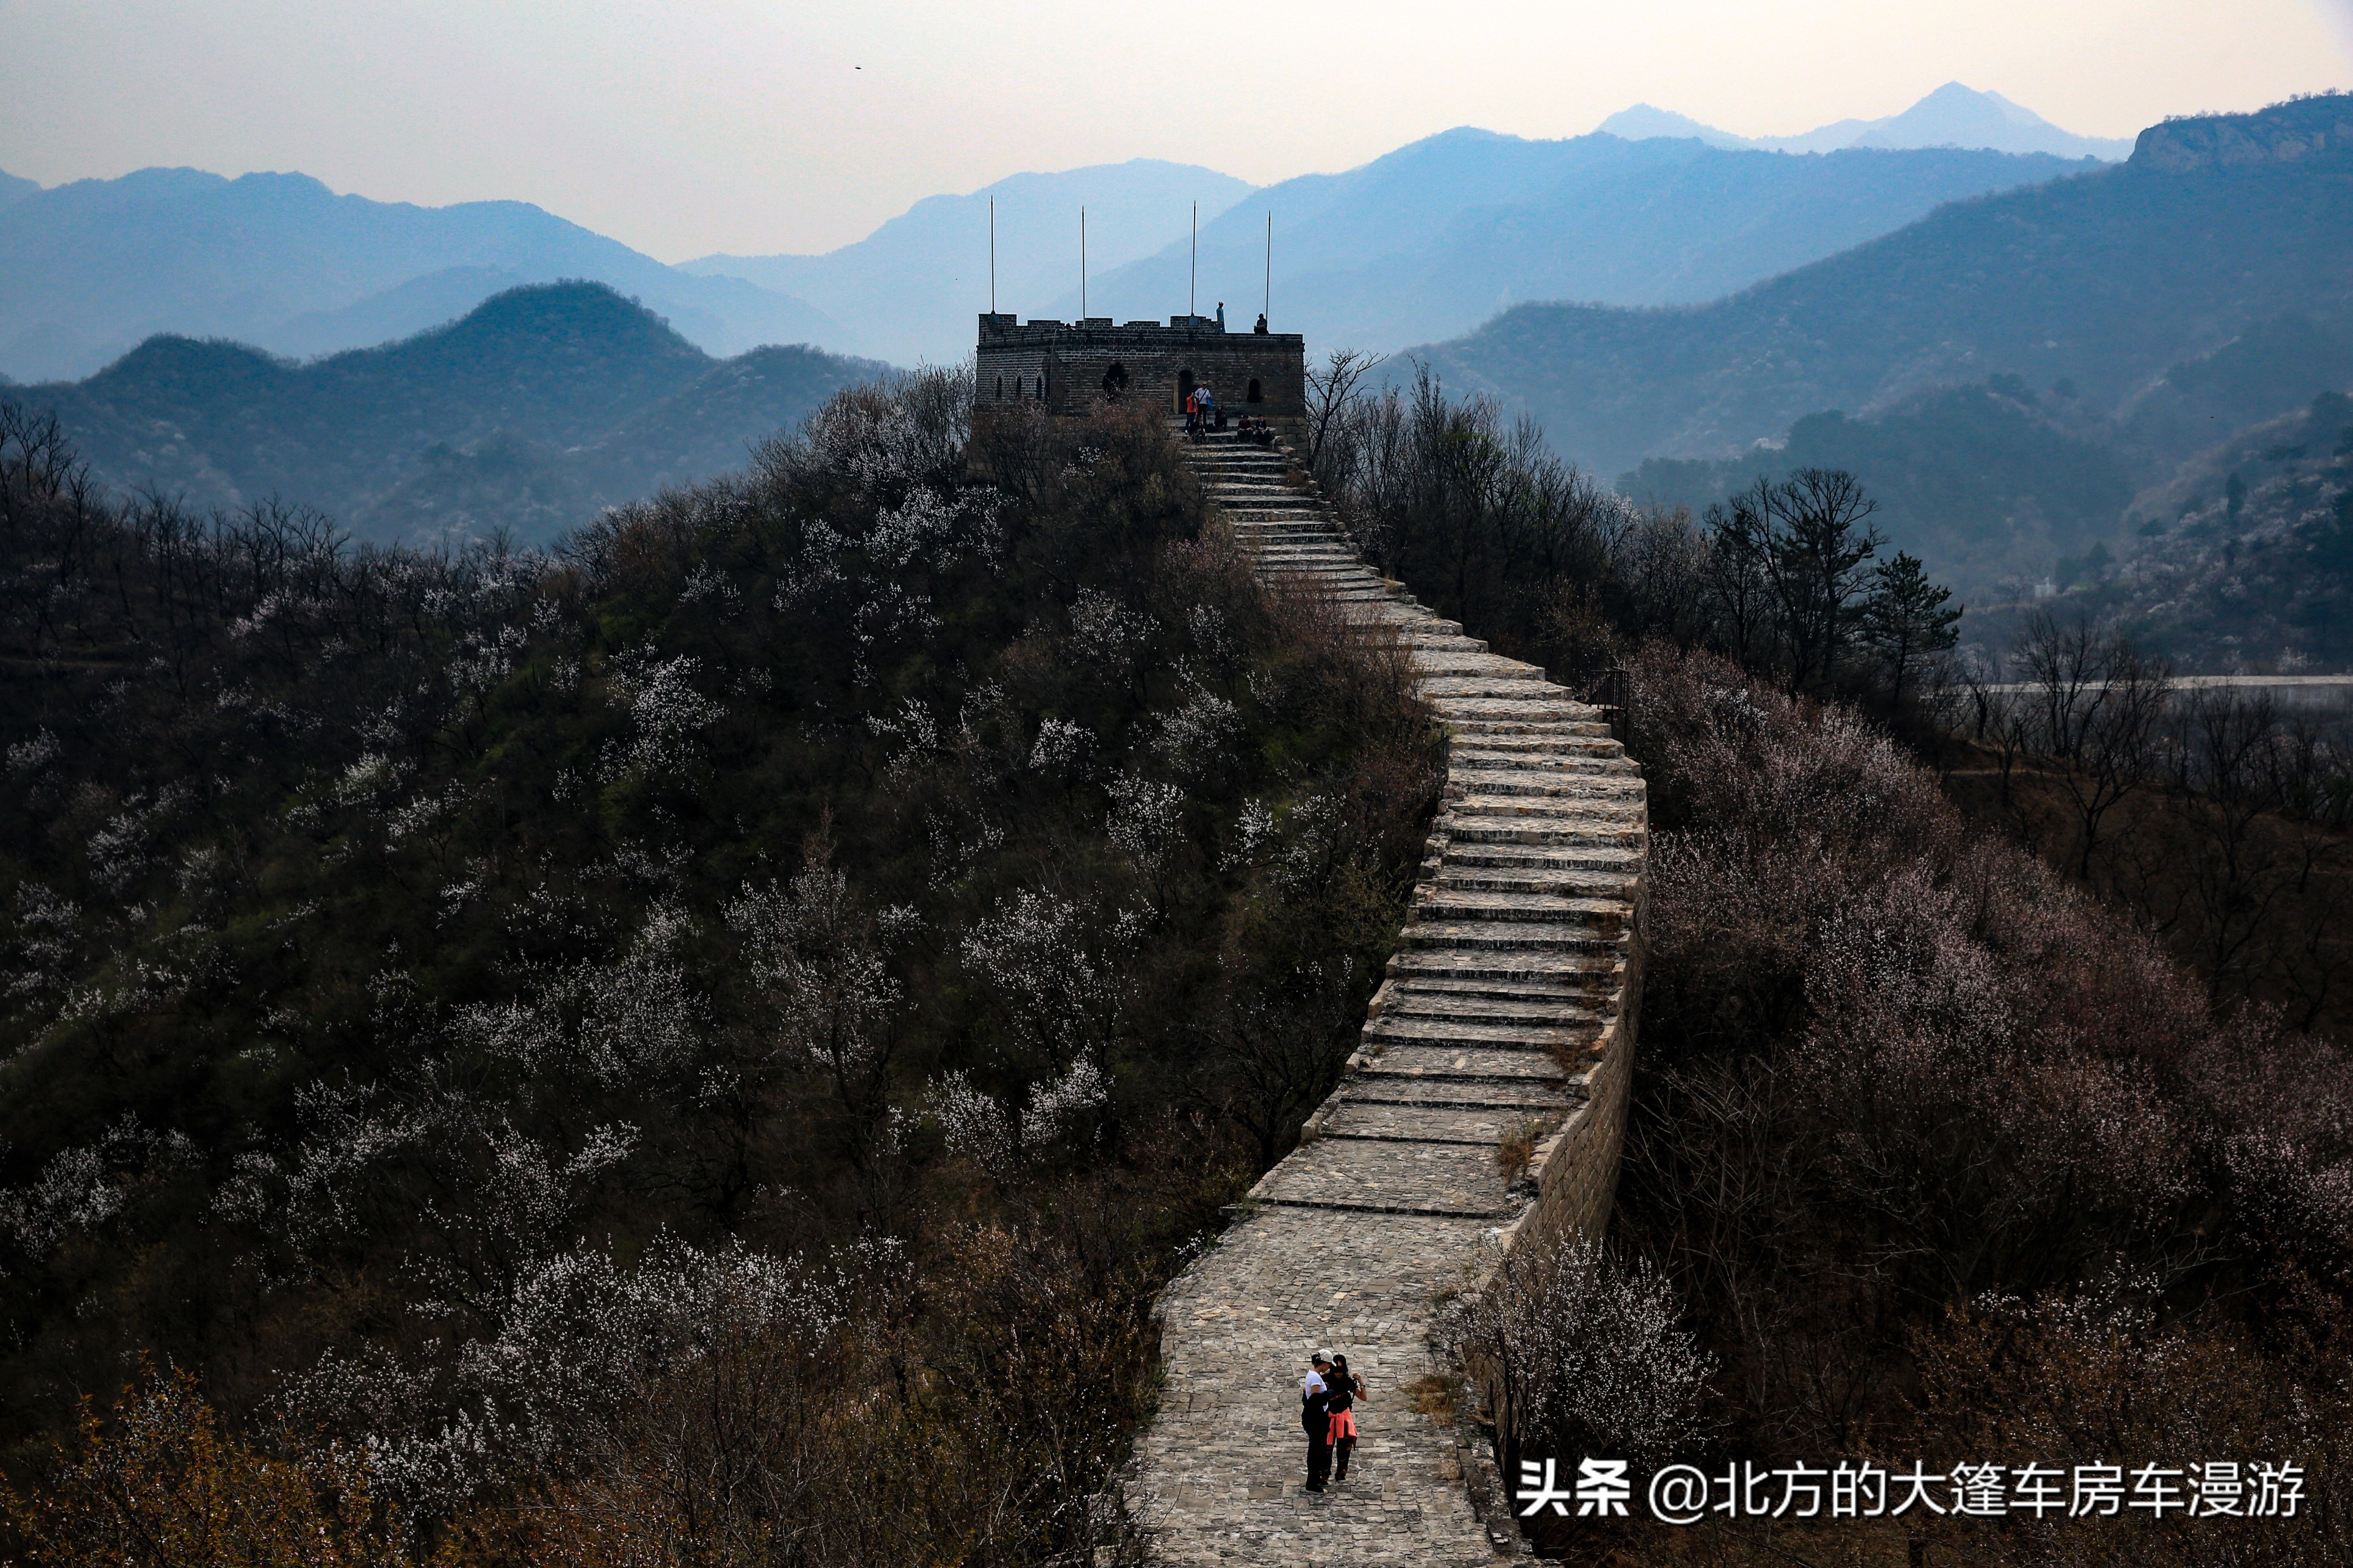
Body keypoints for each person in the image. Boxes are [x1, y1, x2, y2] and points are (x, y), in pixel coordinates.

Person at [1325, 1354, 1365, 1482]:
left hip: (1344, 1417)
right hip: (1329, 1417)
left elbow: (1363, 1397)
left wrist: (1361, 1382)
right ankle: (1324, 1473)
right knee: (1326, 1448)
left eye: (1340, 1372)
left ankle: (1341, 1472)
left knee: (1344, 1448)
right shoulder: (1325, 1380)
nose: (1338, 1374)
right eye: (1336, 1371)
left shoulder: (1348, 1382)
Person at [1301, 1351, 1333, 1491]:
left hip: (1318, 1417)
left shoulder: (1314, 1375)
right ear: (1325, 1363)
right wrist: (1328, 1394)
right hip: (1315, 1418)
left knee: (1319, 1450)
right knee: (1315, 1451)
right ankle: (1311, 1483)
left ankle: (1316, 1478)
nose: (1328, 1368)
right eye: (1328, 1365)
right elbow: (1314, 1399)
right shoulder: (1315, 1377)